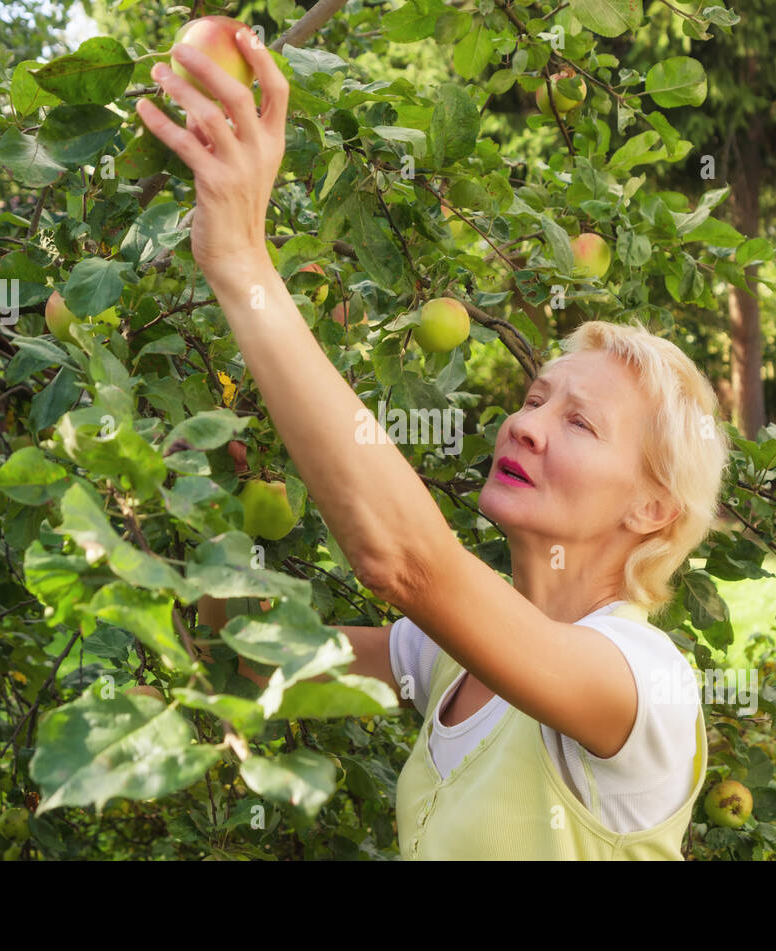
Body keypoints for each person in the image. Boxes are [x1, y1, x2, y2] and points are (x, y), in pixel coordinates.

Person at [138, 29, 730, 860]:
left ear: (652, 507)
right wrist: (202, 505)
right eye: (533, 397)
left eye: (579, 422)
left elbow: (405, 561)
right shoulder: (446, 654)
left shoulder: (645, 685)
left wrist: (242, 260)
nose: (524, 424)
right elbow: (244, 662)